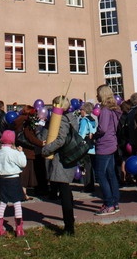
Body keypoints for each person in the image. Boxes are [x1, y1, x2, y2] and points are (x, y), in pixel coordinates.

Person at [41, 96, 77, 235]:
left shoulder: (62, 119)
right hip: (69, 156)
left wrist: (47, 149)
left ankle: (69, 228)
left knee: (64, 192)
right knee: (66, 189)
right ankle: (70, 222)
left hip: (62, 158)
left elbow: (61, 139)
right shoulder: (71, 117)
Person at [93, 84, 121, 215]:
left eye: (98, 93)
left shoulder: (104, 110)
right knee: (111, 174)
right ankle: (114, 202)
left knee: (100, 175)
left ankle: (109, 203)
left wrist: (94, 134)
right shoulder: (114, 110)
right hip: (111, 143)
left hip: (104, 145)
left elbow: (103, 128)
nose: (96, 96)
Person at [0, 130, 27, 237]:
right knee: (17, 203)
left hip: (2, 179)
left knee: (3, 202)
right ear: (12, 141)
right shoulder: (14, 152)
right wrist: (21, 152)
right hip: (14, 179)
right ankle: (19, 228)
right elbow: (23, 163)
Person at [13, 105, 45, 200]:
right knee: (25, 174)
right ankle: (23, 194)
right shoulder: (26, 122)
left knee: (21, 172)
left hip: (19, 148)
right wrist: (40, 143)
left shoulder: (18, 120)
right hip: (27, 150)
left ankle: (23, 193)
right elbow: (29, 136)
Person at [78, 102, 97, 193]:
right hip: (92, 146)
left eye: (81, 109)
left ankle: (87, 187)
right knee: (91, 167)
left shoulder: (84, 120)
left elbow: (81, 134)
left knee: (85, 167)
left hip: (85, 147)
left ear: (84, 110)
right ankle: (91, 185)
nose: (80, 111)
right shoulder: (92, 119)